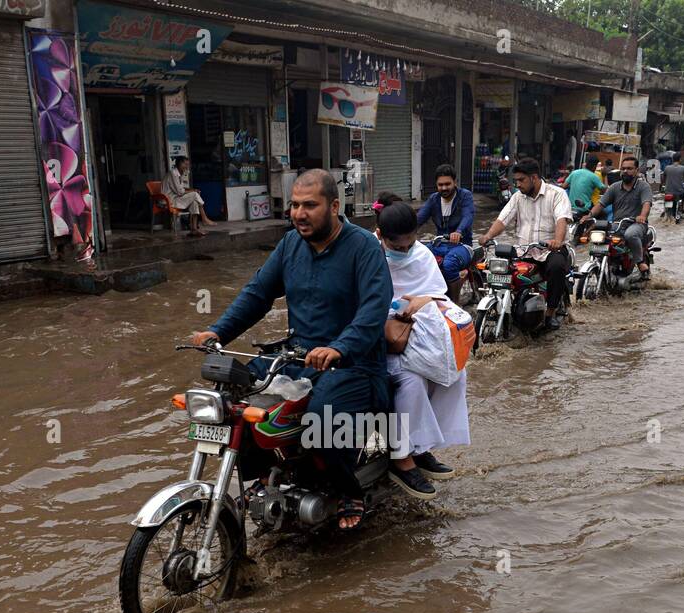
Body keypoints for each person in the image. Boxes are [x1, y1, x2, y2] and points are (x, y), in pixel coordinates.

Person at [191, 170, 392, 530]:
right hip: (297, 359)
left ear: (334, 206)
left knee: (322, 415)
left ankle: (348, 490)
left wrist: (339, 348)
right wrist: (216, 330)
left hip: (355, 366)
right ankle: (264, 475)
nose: (299, 213)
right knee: (235, 398)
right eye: (295, 205)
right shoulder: (289, 245)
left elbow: (374, 310)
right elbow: (258, 294)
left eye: (310, 205)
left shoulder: (363, 247)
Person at [374, 195, 470, 501]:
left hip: (419, 332)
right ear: (381, 236)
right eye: (397, 247)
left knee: (454, 371)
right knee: (411, 381)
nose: (404, 251)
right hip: (381, 340)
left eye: (409, 244)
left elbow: (437, 294)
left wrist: (421, 302)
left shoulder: (422, 255)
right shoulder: (369, 255)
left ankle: (422, 447)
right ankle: (402, 458)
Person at [477, 157, 574, 329]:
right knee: (500, 270)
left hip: (550, 251)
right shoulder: (517, 197)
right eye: (516, 181)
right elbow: (503, 220)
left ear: (534, 178)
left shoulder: (557, 194)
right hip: (524, 251)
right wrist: (487, 236)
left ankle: (550, 314)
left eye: (521, 180)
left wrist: (557, 241)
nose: (518, 185)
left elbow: (562, 220)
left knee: (557, 267)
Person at [580, 154, 653, 279]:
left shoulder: (643, 186)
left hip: (637, 224)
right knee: (597, 232)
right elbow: (601, 205)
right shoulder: (614, 187)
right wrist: (589, 215)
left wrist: (642, 216)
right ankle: (601, 262)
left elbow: (646, 203)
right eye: (623, 168)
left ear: (636, 171)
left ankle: (640, 262)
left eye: (629, 168)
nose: (625, 171)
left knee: (630, 235)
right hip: (617, 224)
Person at [415, 164, 475, 303]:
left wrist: (459, 231)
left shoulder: (465, 196)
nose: (444, 188)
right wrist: (405, 233)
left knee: (449, 263)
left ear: (455, 182)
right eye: (440, 185)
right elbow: (419, 219)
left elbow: (468, 216)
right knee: (418, 257)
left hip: (462, 245)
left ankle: (454, 303)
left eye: (447, 184)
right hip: (439, 243)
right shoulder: (434, 199)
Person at [162, 156, 213, 237]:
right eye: (185, 164)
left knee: (194, 201)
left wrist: (192, 189)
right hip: (170, 200)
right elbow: (179, 192)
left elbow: (181, 188)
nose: (187, 166)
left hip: (176, 198)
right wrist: (193, 191)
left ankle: (194, 229)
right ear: (180, 164)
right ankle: (204, 217)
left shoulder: (179, 174)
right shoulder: (173, 174)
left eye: (188, 164)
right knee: (195, 194)